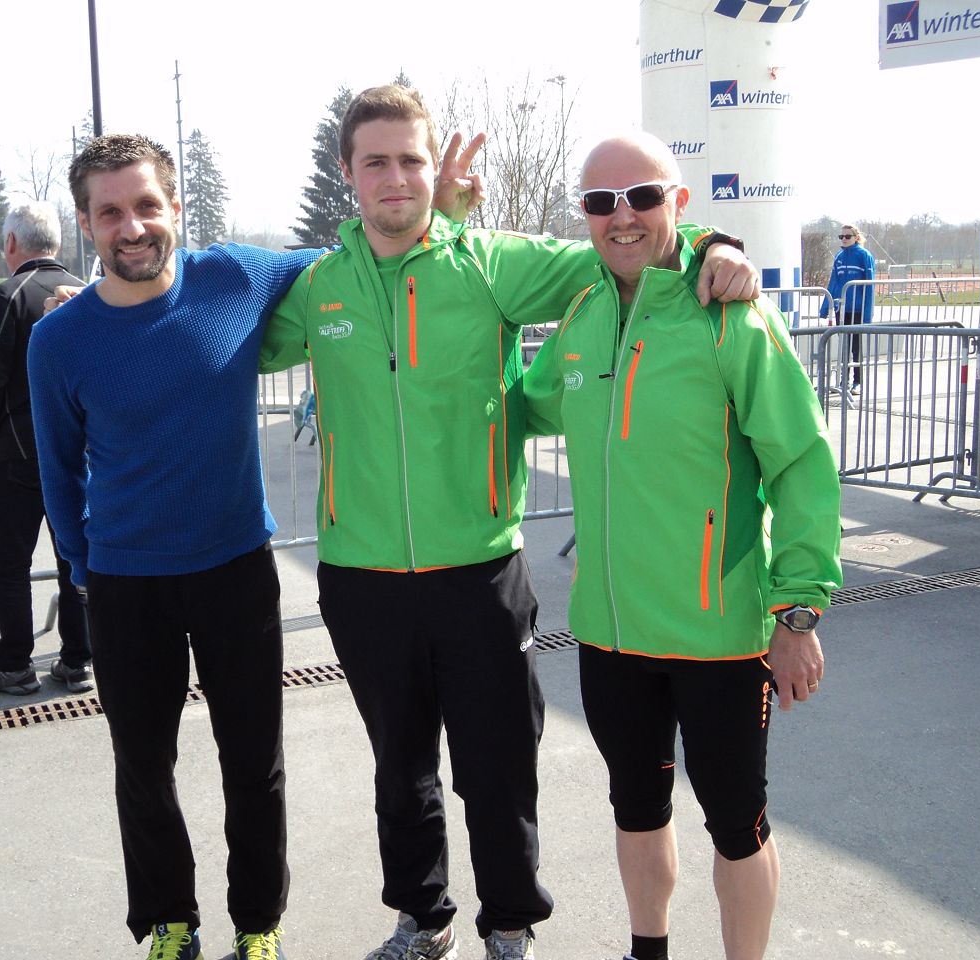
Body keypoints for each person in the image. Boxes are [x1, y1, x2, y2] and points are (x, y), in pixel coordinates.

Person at [260, 85, 761, 960]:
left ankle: (510, 924)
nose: (395, 178)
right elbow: (222, 330)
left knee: (496, 766)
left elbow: (626, 242)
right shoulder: (318, 288)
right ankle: (423, 918)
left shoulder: (490, 264)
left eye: (411, 159)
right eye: (375, 162)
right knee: (400, 770)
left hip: (479, 569)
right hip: (361, 574)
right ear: (348, 172)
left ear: (433, 169)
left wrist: (716, 243)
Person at [524, 133, 842, 960]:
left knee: (738, 824)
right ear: (585, 216)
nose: (622, 216)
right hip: (612, 631)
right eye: (600, 202)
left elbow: (802, 464)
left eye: (643, 196)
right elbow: (522, 405)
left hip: (718, 635)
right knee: (635, 810)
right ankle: (649, 951)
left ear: (680, 203)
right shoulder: (584, 316)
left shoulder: (730, 315)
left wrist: (798, 612)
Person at [28, 134, 322, 960]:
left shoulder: (236, 276)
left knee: (253, 761)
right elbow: (58, 472)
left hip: (236, 570)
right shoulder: (59, 340)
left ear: (176, 208)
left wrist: (441, 212)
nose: (132, 227)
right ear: (86, 224)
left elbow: (347, 257)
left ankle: (258, 924)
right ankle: (170, 921)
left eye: (146, 205)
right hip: (126, 584)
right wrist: (83, 571)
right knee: (143, 765)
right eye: (110, 212)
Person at [0, 201, 93, 696]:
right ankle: (79, 659)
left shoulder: (6, 296)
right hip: (79, 450)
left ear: (11, 243)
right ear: (56, 243)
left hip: (20, 451)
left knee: (10, 564)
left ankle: (15, 663)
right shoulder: (87, 292)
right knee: (74, 557)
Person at [822, 223, 876, 392]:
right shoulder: (839, 256)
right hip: (842, 309)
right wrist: (826, 307)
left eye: (847, 236)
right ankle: (843, 380)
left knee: (856, 347)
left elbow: (869, 284)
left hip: (857, 309)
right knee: (843, 346)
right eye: (841, 236)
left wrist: (867, 312)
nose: (844, 239)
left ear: (856, 237)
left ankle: (857, 381)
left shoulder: (864, 255)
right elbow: (833, 282)